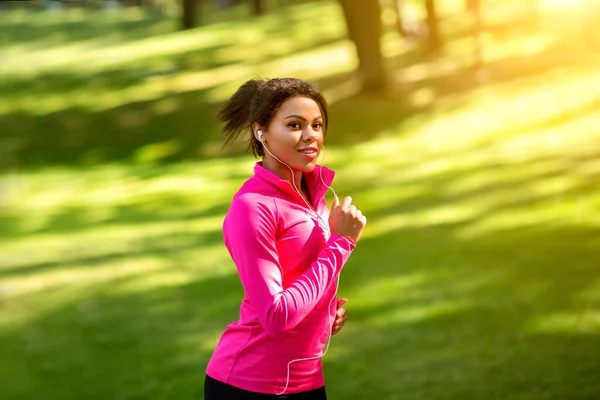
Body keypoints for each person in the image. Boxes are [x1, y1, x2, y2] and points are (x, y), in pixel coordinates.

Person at [204, 77, 367, 400]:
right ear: (260, 131)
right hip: (250, 384)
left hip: (306, 380)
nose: (310, 136)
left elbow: (298, 277)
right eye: (295, 125)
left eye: (317, 125)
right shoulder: (252, 208)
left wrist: (323, 312)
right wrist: (341, 244)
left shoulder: (311, 194)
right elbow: (277, 316)